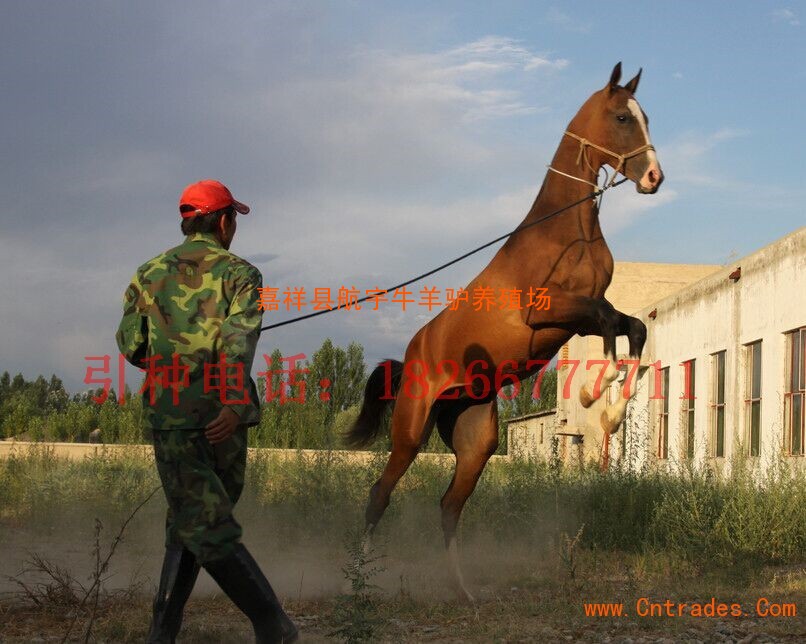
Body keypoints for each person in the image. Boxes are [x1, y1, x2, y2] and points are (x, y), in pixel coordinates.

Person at [116, 179, 298, 643]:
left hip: (171, 418)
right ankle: (273, 625)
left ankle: (166, 632)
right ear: (222, 221)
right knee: (202, 522)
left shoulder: (147, 273)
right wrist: (236, 403)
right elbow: (238, 344)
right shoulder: (244, 274)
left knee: (194, 521)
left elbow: (133, 346)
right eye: (233, 218)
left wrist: (170, 352)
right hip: (222, 421)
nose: (233, 226)